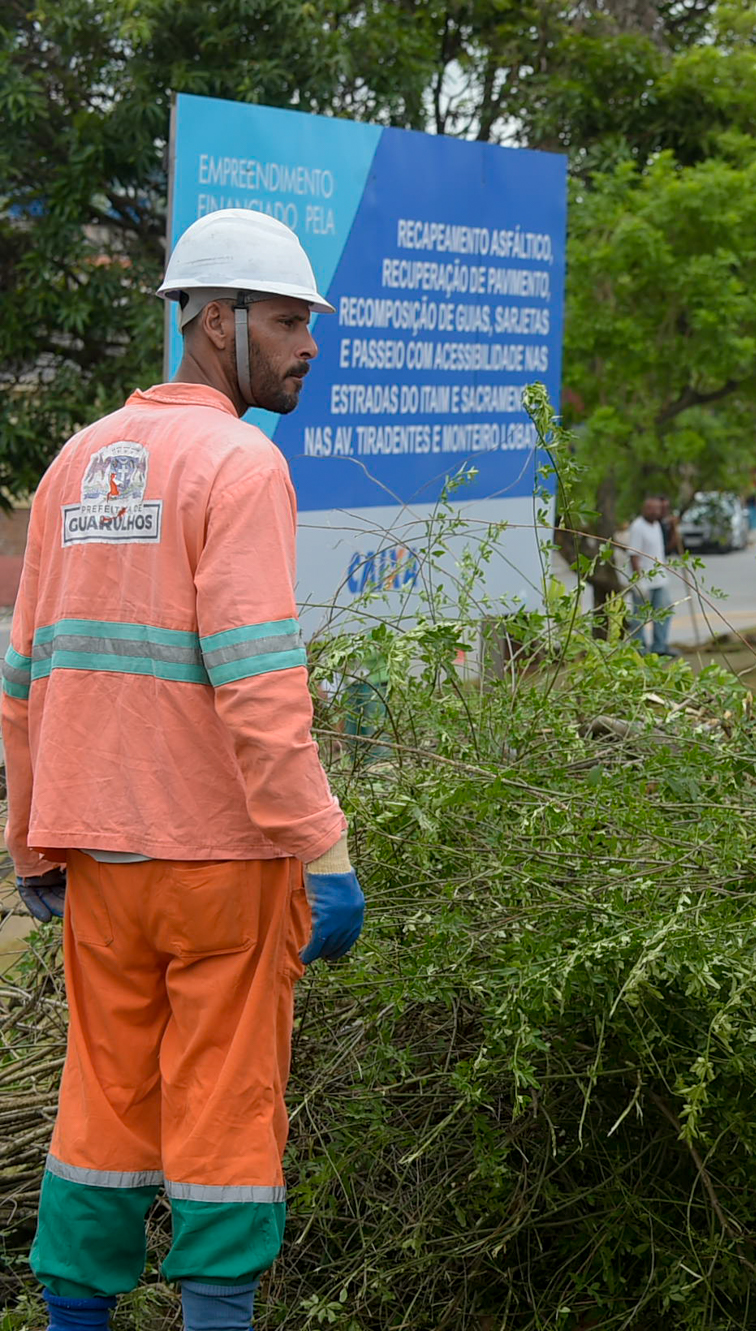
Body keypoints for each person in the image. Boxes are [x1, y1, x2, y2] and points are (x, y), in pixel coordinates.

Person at [3, 208, 364, 1331]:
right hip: (221, 862)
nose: (309, 344)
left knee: (101, 1106)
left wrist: (30, 840)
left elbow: (25, 675)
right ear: (219, 321)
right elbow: (260, 682)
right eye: (290, 321)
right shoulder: (240, 463)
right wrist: (325, 849)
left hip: (99, 859)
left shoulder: (74, 463)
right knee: (226, 1112)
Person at [623, 495, 677, 658]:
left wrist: (674, 527)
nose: (654, 512)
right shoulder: (638, 527)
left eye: (657, 509)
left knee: (664, 611)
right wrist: (638, 581)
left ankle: (659, 647)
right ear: (644, 509)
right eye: (651, 509)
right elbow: (634, 555)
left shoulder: (657, 525)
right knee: (639, 617)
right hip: (644, 581)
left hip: (659, 580)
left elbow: (668, 547)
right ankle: (639, 649)